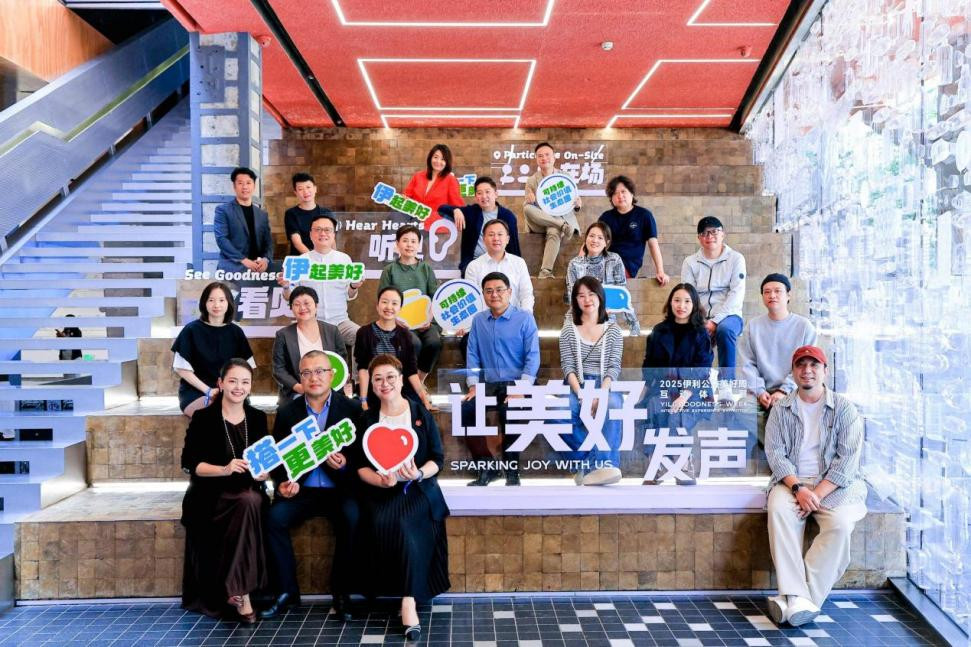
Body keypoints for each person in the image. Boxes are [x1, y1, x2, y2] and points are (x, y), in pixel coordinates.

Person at [764, 346, 867, 627]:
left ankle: (796, 598)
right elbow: (775, 454)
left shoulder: (844, 409)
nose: (807, 370)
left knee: (841, 525)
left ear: (825, 371)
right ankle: (799, 602)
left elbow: (847, 462)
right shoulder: (781, 409)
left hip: (835, 486)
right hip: (792, 482)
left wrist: (815, 494)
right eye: (801, 365)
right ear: (793, 371)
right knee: (778, 510)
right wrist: (799, 489)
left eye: (814, 365)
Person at [349, 354, 450, 641]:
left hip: (418, 489)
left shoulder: (420, 414)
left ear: (401, 379)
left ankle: (408, 601)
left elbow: (437, 460)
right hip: (382, 492)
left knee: (407, 525)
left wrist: (418, 474)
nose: (385, 383)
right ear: (371, 384)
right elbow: (360, 467)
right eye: (378, 378)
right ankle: (398, 592)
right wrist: (380, 481)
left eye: (390, 377)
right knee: (385, 522)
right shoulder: (367, 419)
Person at [262, 350, 363, 621]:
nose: (313, 378)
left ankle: (341, 594)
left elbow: (361, 456)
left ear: (332, 375)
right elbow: (279, 457)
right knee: (273, 518)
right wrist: (283, 483)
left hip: (339, 489)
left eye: (319, 371)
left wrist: (345, 464)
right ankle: (286, 591)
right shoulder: (288, 412)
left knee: (353, 517)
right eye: (306, 373)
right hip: (302, 490)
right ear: (300, 378)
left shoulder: (351, 409)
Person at [180, 358, 269, 622]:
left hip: (247, 490)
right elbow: (190, 464)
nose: (239, 387)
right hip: (211, 494)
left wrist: (264, 472)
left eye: (245, 382)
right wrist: (225, 469)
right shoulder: (204, 418)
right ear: (220, 383)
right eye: (233, 381)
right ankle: (243, 594)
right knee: (249, 502)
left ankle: (239, 589)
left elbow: (266, 463)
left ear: (250, 386)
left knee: (250, 500)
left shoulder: (257, 418)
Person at [463, 272, 540, 486]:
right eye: (488, 291)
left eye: (499, 290)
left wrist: (522, 388)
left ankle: (512, 470)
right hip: (489, 384)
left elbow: (533, 356)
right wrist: (473, 385)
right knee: (466, 410)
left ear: (509, 292)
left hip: (518, 383)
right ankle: (487, 468)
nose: (494, 295)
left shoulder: (524, 318)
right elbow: (472, 354)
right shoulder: (479, 321)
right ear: (483, 294)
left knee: (511, 411)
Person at [641, 283, 714, 485]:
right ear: (670, 303)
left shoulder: (701, 333)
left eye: (687, 301)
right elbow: (649, 365)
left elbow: (702, 369)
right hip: (665, 388)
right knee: (654, 405)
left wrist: (685, 395)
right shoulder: (659, 331)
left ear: (694, 304)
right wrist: (643, 394)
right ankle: (659, 462)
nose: (681, 306)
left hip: (695, 390)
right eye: (677, 300)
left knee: (677, 412)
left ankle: (681, 462)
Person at [559, 277, 624, 486]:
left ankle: (606, 464)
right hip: (577, 384)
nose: (587, 299)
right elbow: (567, 366)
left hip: (605, 384)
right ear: (575, 300)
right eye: (581, 295)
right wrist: (581, 395)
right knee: (557, 412)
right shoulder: (568, 329)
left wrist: (601, 394)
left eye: (591, 294)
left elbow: (614, 367)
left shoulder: (613, 330)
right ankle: (587, 463)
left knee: (612, 405)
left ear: (600, 297)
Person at [279, 213, 362, 353]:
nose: (322, 233)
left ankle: (355, 370)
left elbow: (349, 295)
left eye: (327, 230)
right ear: (311, 234)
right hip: (311, 323)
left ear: (334, 234)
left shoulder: (344, 260)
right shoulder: (301, 262)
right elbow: (289, 297)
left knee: (363, 337)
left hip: (341, 322)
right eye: (317, 230)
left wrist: (353, 286)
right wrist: (286, 286)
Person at [171, 282, 255, 417]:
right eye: (211, 300)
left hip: (230, 392)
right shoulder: (191, 330)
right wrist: (208, 391)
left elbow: (247, 368)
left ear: (229, 303)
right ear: (204, 303)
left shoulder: (236, 332)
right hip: (196, 392)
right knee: (215, 412)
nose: (216, 305)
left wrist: (233, 389)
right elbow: (181, 368)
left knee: (239, 412)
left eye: (221, 300)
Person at [740, 273, 817, 411]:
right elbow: (747, 364)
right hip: (761, 392)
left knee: (786, 412)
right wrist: (760, 392)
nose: (772, 295)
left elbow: (808, 366)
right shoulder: (753, 326)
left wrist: (784, 391)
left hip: (795, 390)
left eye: (777, 291)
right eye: (767, 292)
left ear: (788, 295)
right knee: (742, 410)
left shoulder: (804, 326)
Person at [681, 216, 746, 373]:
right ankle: (695, 381)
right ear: (699, 238)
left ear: (723, 234)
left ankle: (726, 383)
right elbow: (688, 295)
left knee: (725, 330)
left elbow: (736, 294)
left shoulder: (736, 259)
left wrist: (715, 322)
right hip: (700, 315)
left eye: (714, 232)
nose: (709, 236)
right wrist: (701, 320)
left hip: (730, 315)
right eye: (704, 233)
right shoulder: (690, 262)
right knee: (687, 332)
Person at [354, 286, 435, 411]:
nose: (389, 307)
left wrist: (424, 399)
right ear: (377, 306)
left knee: (419, 411)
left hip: (399, 389)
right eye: (384, 302)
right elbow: (363, 369)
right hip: (374, 389)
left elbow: (411, 371)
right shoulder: (364, 333)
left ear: (400, 309)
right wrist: (363, 400)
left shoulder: (405, 335)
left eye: (394, 303)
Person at [378, 225, 441, 382]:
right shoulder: (389, 270)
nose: (409, 245)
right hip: (399, 323)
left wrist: (429, 320)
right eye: (405, 241)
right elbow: (382, 300)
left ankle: (419, 381)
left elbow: (435, 298)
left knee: (434, 342)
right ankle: (408, 382)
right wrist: (395, 320)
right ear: (397, 244)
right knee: (414, 343)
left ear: (419, 245)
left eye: (413, 241)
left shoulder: (426, 268)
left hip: (425, 322)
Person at [271, 286, 347, 406]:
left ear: (316, 306)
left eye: (307, 303)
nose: (302, 308)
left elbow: (341, 360)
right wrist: (299, 387)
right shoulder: (283, 335)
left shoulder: (332, 331)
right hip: (297, 392)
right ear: (291, 308)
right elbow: (278, 369)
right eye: (297, 304)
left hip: (329, 391)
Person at [566, 221, 640, 335]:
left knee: (611, 333)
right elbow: (573, 295)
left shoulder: (614, 260)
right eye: (591, 236)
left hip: (607, 316)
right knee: (570, 332)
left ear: (607, 242)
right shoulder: (574, 264)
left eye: (600, 238)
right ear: (586, 239)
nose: (595, 240)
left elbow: (621, 294)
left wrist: (634, 326)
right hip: (580, 317)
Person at [438, 176, 521, 275]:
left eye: (487, 192)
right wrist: (455, 210)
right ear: (476, 197)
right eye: (479, 193)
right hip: (474, 263)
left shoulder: (508, 217)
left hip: (500, 264)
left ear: (496, 194)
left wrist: (516, 269)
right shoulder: (471, 212)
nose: (484, 196)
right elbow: (441, 208)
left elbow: (514, 247)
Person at [523, 142, 581, 278]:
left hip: (560, 220)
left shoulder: (565, 177)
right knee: (526, 208)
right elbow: (529, 207)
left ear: (554, 158)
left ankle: (545, 271)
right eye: (540, 156)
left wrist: (577, 205)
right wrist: (530, 200)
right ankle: (561, 225)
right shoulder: (531, 180)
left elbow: (573, 203)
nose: (544, 158)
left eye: (547, 155)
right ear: (537, 159)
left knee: (554, 230)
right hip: (540, 222)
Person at [597, 175, 668, 283]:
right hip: (605, 262)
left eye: (623, 191)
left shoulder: (644, 215)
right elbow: (593, 240)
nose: (620, 196)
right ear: (611, 198)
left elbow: (653, 244)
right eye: (615, 193)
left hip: (627, 265)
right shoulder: (606, 217)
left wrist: (660, 271)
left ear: (631, 193)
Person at [463, 219, 534, 315]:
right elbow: (470, 299)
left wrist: (525, 317)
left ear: (507, 239)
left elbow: (526, 294)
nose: (496, 238)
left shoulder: (519, 263)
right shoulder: (474, 266)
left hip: (514, 320)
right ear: (484, 239)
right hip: (484, 321)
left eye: (500, 234)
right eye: (491, 235)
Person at [213, 167, 273, 274]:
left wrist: (265, 259)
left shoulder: (262, 214)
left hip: (257, 270)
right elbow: (222, 239)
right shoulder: (223, 210)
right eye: (240, 183)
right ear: (234, 186)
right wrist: (244, 260)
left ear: (254, 186)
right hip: (232, 270)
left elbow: (268, 242)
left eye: (248, 183)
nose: (245, 187)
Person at [403, 144, 463, 230]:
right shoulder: (418, 176)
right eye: (436, 157)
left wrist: (457, 210)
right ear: (430, 158)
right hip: (415, 226)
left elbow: (458, 206)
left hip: (438, 228)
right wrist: (404, 199)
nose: (438, 161)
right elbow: (406, 196)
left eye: (443, 159)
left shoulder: (451, 180)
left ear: (447, 162)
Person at [284, 172, 336, 256]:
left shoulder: (326, 213)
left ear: (315, 189)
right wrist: (313, 259)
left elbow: (331, 240)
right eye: (300, 189)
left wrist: (333, 258)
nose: (305, 192)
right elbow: (297, 243)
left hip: (323, 260)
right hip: (301, 259)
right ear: (295, 193)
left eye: (308, 187)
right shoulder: (291, 214)